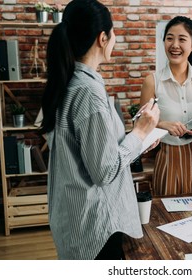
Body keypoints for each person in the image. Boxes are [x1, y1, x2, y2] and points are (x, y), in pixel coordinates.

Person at [40, 0, 160, 260]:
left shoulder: (66, 81)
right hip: (95, 227)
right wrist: (139, 133)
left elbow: (86, 149)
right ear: (102, 38)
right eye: (114, 33)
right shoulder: (88, 91)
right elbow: (104, 171)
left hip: (74, 221)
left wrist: (137, 139)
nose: (115, 39)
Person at [140, 16, 192, 195]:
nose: (175, 45)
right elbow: (140, 124)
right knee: (168, 216)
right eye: (169, 38)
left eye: (182, 39)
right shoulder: (152, 81)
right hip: (171, 158)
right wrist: (163, 124)